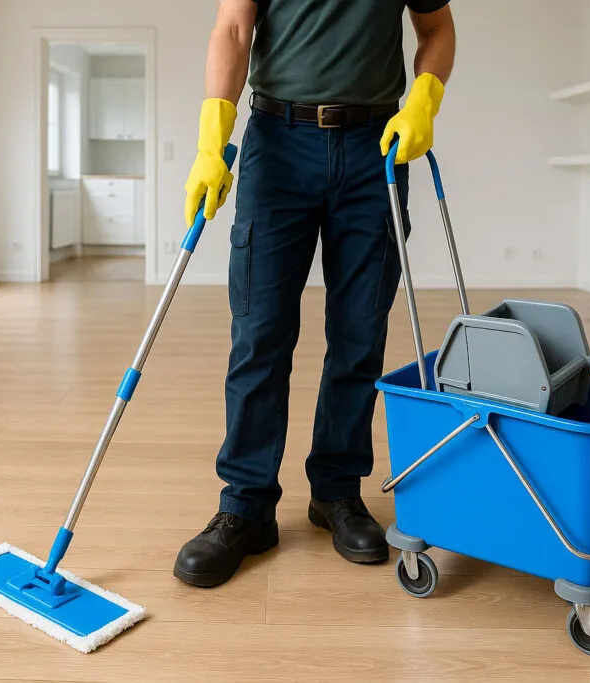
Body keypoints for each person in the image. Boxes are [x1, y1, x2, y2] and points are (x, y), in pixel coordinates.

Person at [174, 0, 456, 588]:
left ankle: (337, 491)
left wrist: (423, 101)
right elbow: (232, 26)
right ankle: (246, 505)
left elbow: (436, 28)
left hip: (373, 150)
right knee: (259, 332)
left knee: (359, 333)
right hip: (278, 143)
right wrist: (211, 141)